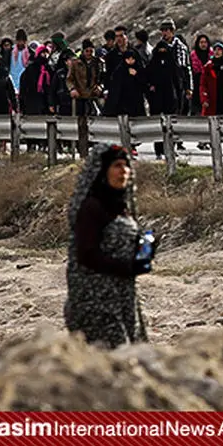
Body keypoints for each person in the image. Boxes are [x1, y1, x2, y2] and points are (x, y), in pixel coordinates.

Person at [64, 144, 153, 349]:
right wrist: (126, 267)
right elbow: (86, 254)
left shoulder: (121, 207)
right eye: (116, 166)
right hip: (96, 301)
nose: (124, 171)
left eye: (126, 166)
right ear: (102, 171)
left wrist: (144, 250)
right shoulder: (91, 207)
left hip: (123, 297)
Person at [69, 39, 103, 157]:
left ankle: (97, 152)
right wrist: (72, 89)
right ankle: (83, 153)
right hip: (80, 97)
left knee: (97, 124)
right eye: (87, 51)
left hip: (94, 97)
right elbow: (69, 79)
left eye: (91, 51)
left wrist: (100, 87)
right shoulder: (75, 63)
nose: (89, 53)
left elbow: (103, 78)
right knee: (82, 126)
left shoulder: (98, 63)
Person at [103, 50, 148, 118]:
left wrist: (136, 74)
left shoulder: (138, 68)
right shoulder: (119, 70)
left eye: (132, 59)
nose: (130, 61)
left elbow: (144, 81)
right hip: (122, 99)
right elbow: (115, 85)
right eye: (128, 59)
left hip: (136, 99)